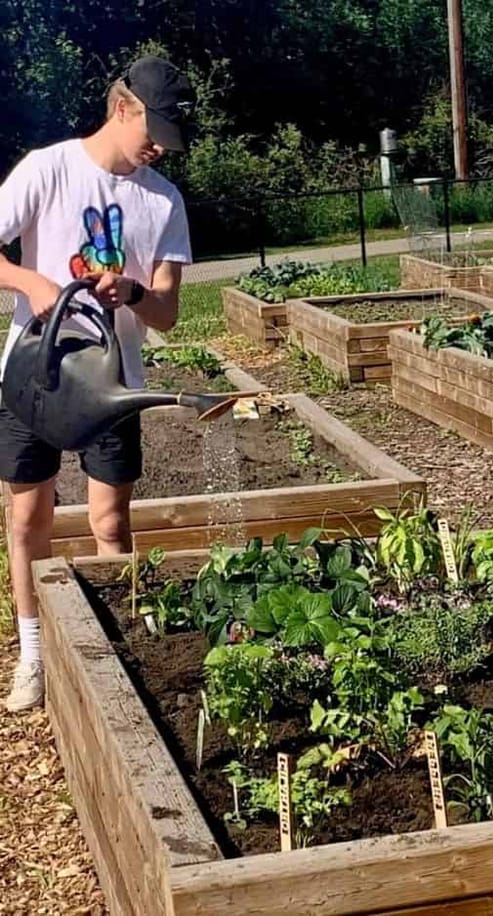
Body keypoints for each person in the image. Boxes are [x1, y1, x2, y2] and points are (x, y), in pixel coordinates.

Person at [0, 56, 194, 711]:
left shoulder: (162, 199)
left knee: (112, 521)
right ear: (121, 107)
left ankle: (120, 652)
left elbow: (165, 313)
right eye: (152, 129)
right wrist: (32, 283)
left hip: (114, 384)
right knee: (30, 516)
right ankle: (33, 652)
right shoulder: (46, 168)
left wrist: (134, 290)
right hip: (37, 375)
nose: (158, 146)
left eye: (168, 136)